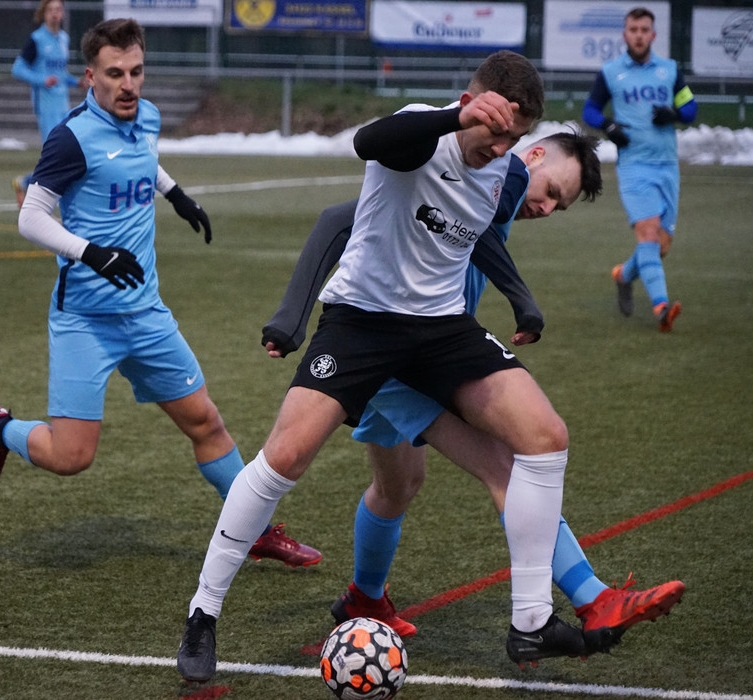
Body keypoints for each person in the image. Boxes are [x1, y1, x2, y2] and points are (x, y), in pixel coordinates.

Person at [177, 51, 611, 682]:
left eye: (515, 140)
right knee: (285, 457)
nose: (502, 151)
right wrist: (454, 117)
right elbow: (369, 142)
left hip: (441, 331)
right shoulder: (421, 136)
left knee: (545, 436)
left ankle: (531, 622)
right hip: (362, 322)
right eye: (496, 134)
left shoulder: (502, 169)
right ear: (472, 105)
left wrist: (522, 301)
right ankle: (203, 613)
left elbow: (480, 234)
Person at [262, 133, 684, 652]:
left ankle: (363, 599)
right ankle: (594, 599)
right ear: (532, 155)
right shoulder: (480, 176)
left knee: (397, 486)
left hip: (414, 355)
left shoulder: (488, 197)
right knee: (508, 465)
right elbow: (336, 218)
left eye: (559, 206)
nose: (547, 208)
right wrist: (291, 314)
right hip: (394, 356)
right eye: (551, 191)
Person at [0, 18, 320, 571]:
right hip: (86, 319)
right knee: (71, 456)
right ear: (90, 77)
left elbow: (142, 157)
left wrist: (176, 194)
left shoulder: (147, 116)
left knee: (206, 423)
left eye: (136, 71)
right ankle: (2, 429)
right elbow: (31, 217)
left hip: (147, 313)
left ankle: (255, 530)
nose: (128, 84)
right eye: (115, 74)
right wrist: (90, 252)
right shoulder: (71, 137)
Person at [582, 6, 698, 332]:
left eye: (644, 30)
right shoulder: (611, 72)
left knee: (660, 245)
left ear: (653, 35)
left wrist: (675, 113)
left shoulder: (669, 71)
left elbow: (690, 107)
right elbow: (589, 109)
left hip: (667, 166)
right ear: (625, 34)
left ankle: (624, 275)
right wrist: (608, 125)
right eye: (633, 30)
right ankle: (662, 308)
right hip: (633, 165)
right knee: (647, 234)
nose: (638, 35)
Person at [9, 0, 85, 208]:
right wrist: (42, 80)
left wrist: (76, 82)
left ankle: (25, 183)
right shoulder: (36, 39)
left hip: (63, 104)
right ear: (43, 13)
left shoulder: (64, 38)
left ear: (63, 13)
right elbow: (17, 69)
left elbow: (60, 74)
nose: (55, 13)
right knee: (56, 154)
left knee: (65, 152)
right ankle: (38, 193)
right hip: (45, 105)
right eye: (50, 10)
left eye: (58, 9)